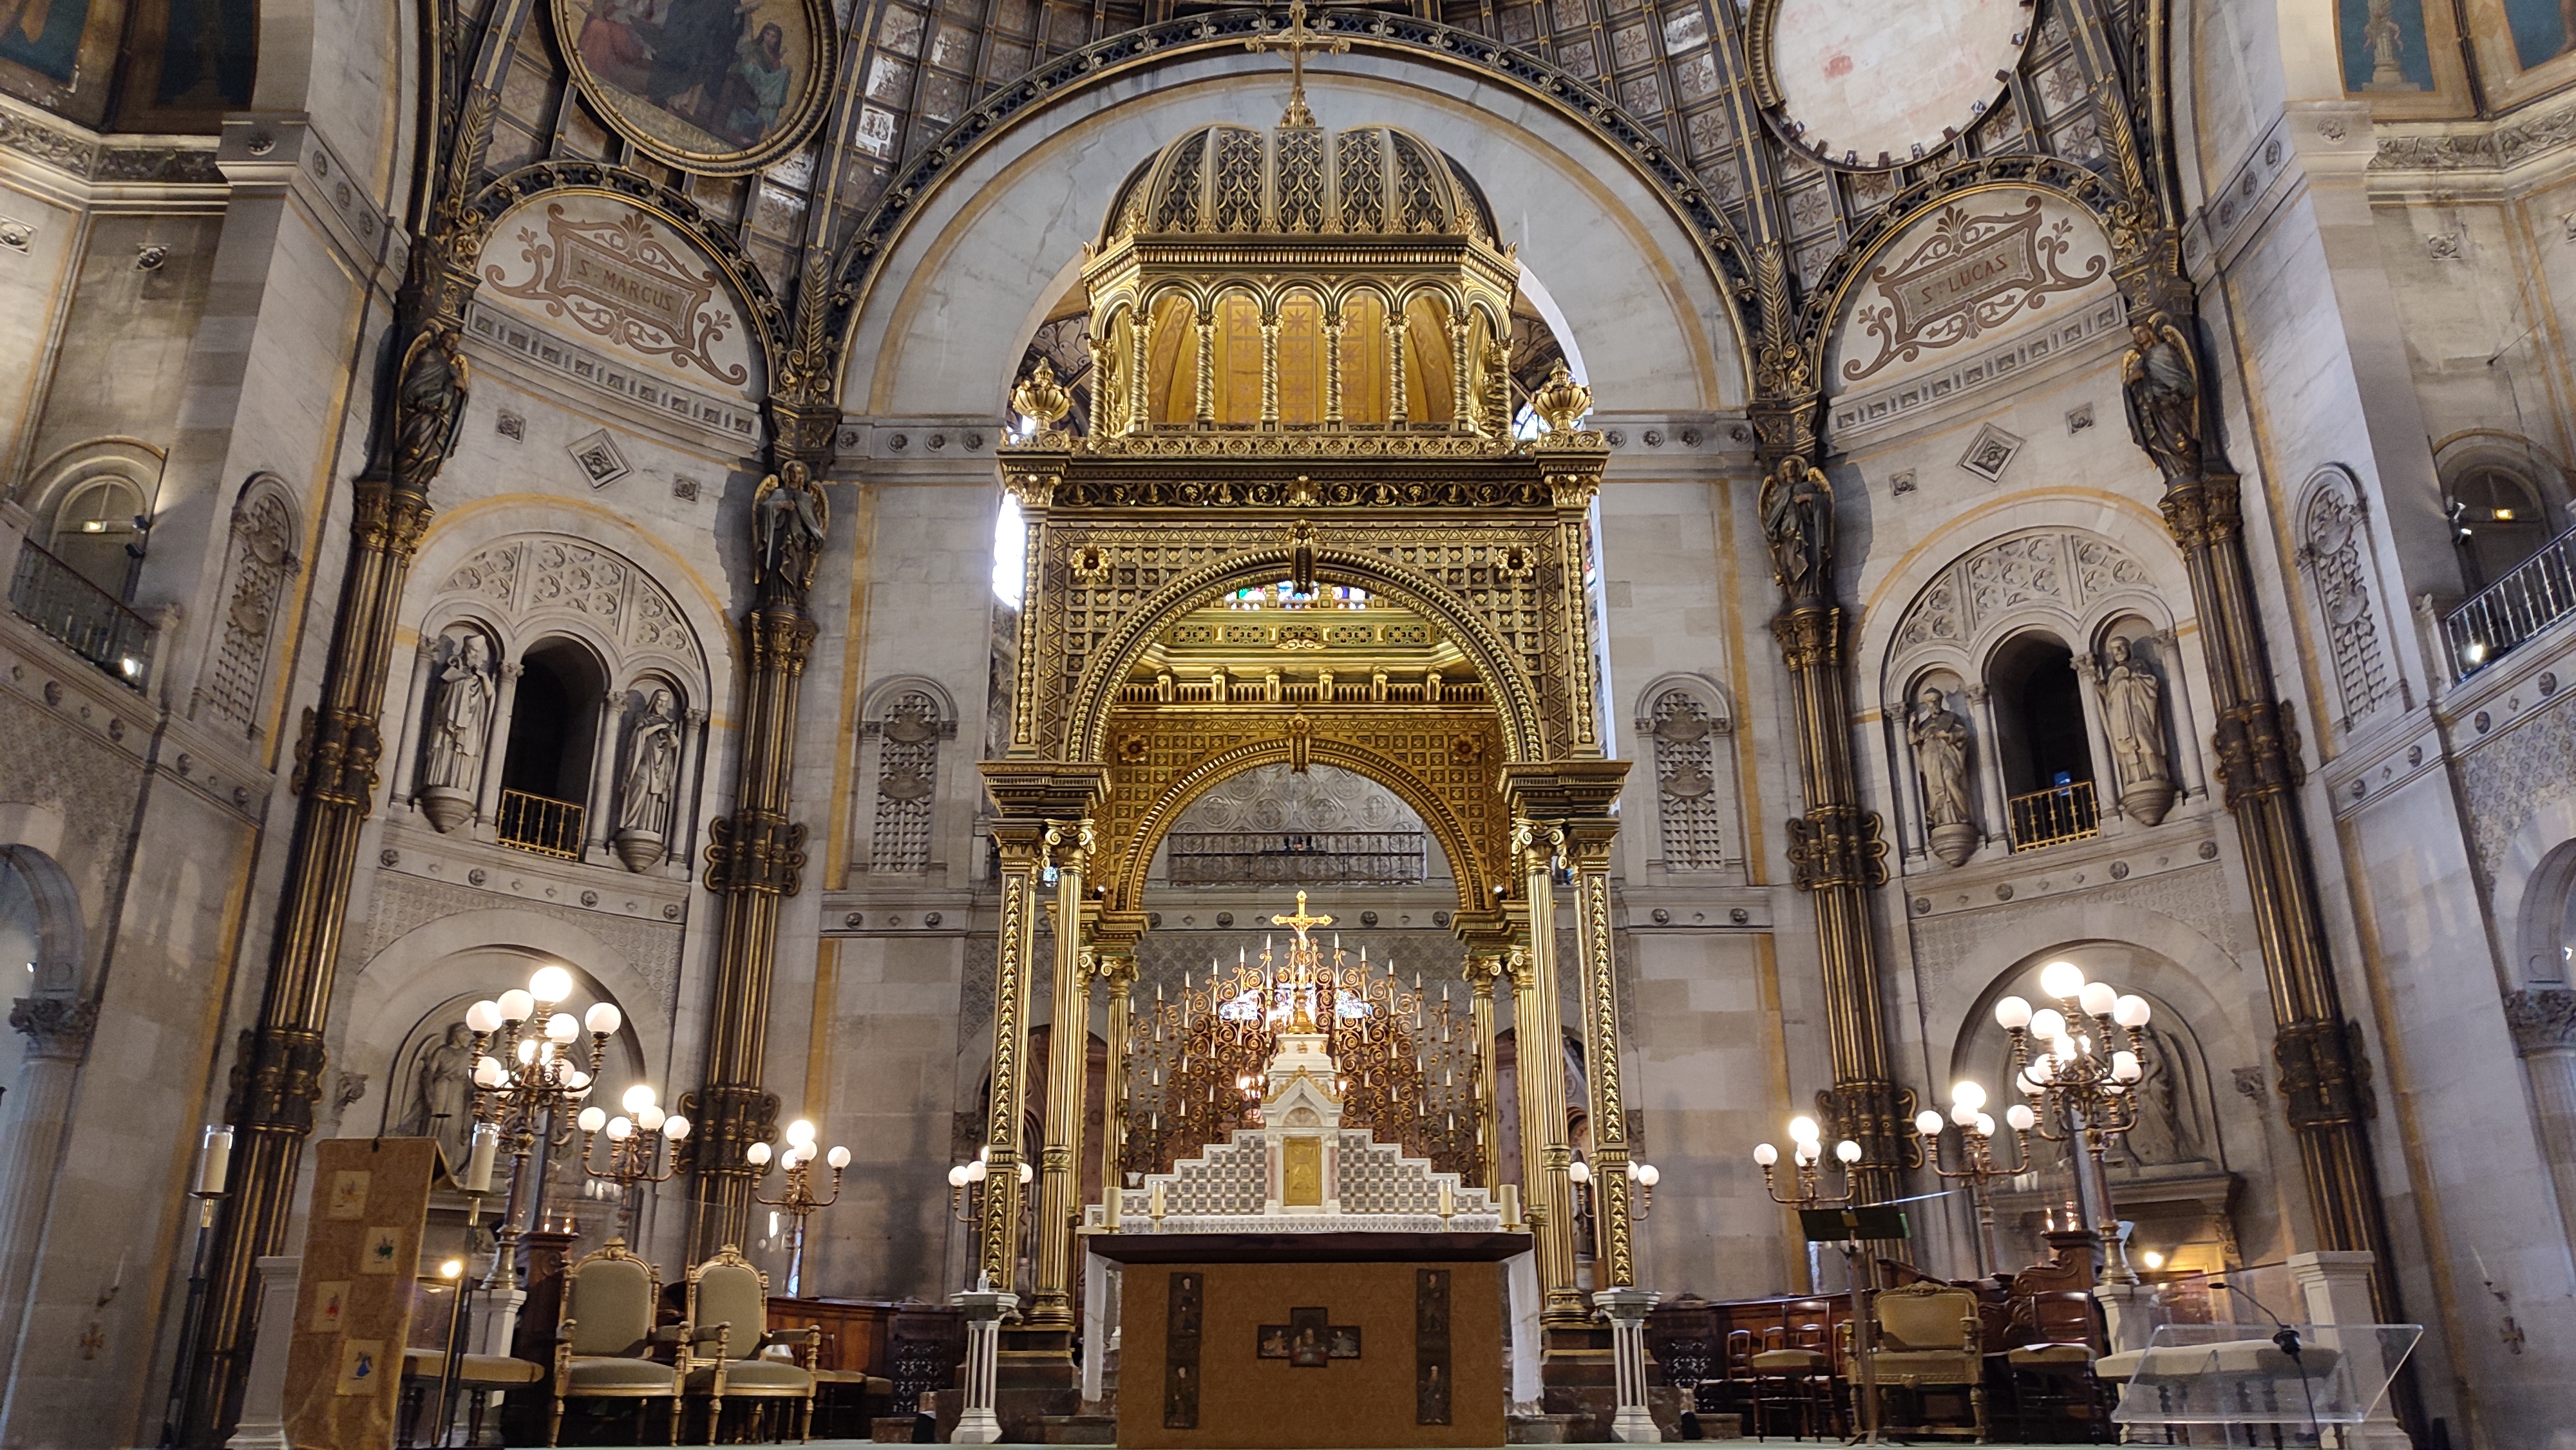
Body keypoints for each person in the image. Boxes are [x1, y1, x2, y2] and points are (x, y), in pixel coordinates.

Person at [721, 23, 790, 146]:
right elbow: (740, 62)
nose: (769, 38)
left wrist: (784, 74)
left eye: (773, 36)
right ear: (763, 34)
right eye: (768, 34)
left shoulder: (775, 60)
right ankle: (733, 133)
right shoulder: (753, 47)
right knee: (741, 109)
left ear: (777, 40)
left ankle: (748, 138)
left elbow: (773, 80)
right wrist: (750, 66)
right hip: (744, 85)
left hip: (760, 93)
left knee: (758, 113)